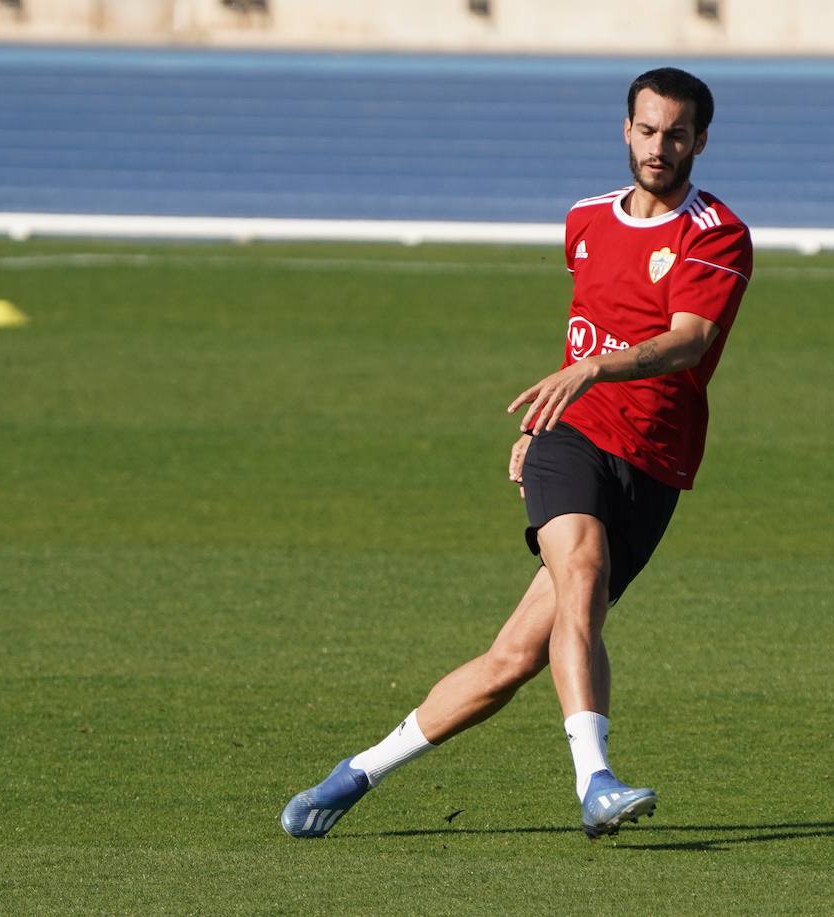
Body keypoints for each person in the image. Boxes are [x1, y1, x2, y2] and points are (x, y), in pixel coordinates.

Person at [280, 66, 753, 841]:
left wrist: (593, 366)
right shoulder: (585, 219)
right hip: (571, 436)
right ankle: (595, 780)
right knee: (583, 574)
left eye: (676, 134)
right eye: (646, 129)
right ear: (625, 129)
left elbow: (688, 342)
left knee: (511, 661)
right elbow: (585, 324)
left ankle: (356, 771)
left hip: (653, 462)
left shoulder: (716, 234)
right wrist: (544, 421)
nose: (658, 146)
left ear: (700, 141)